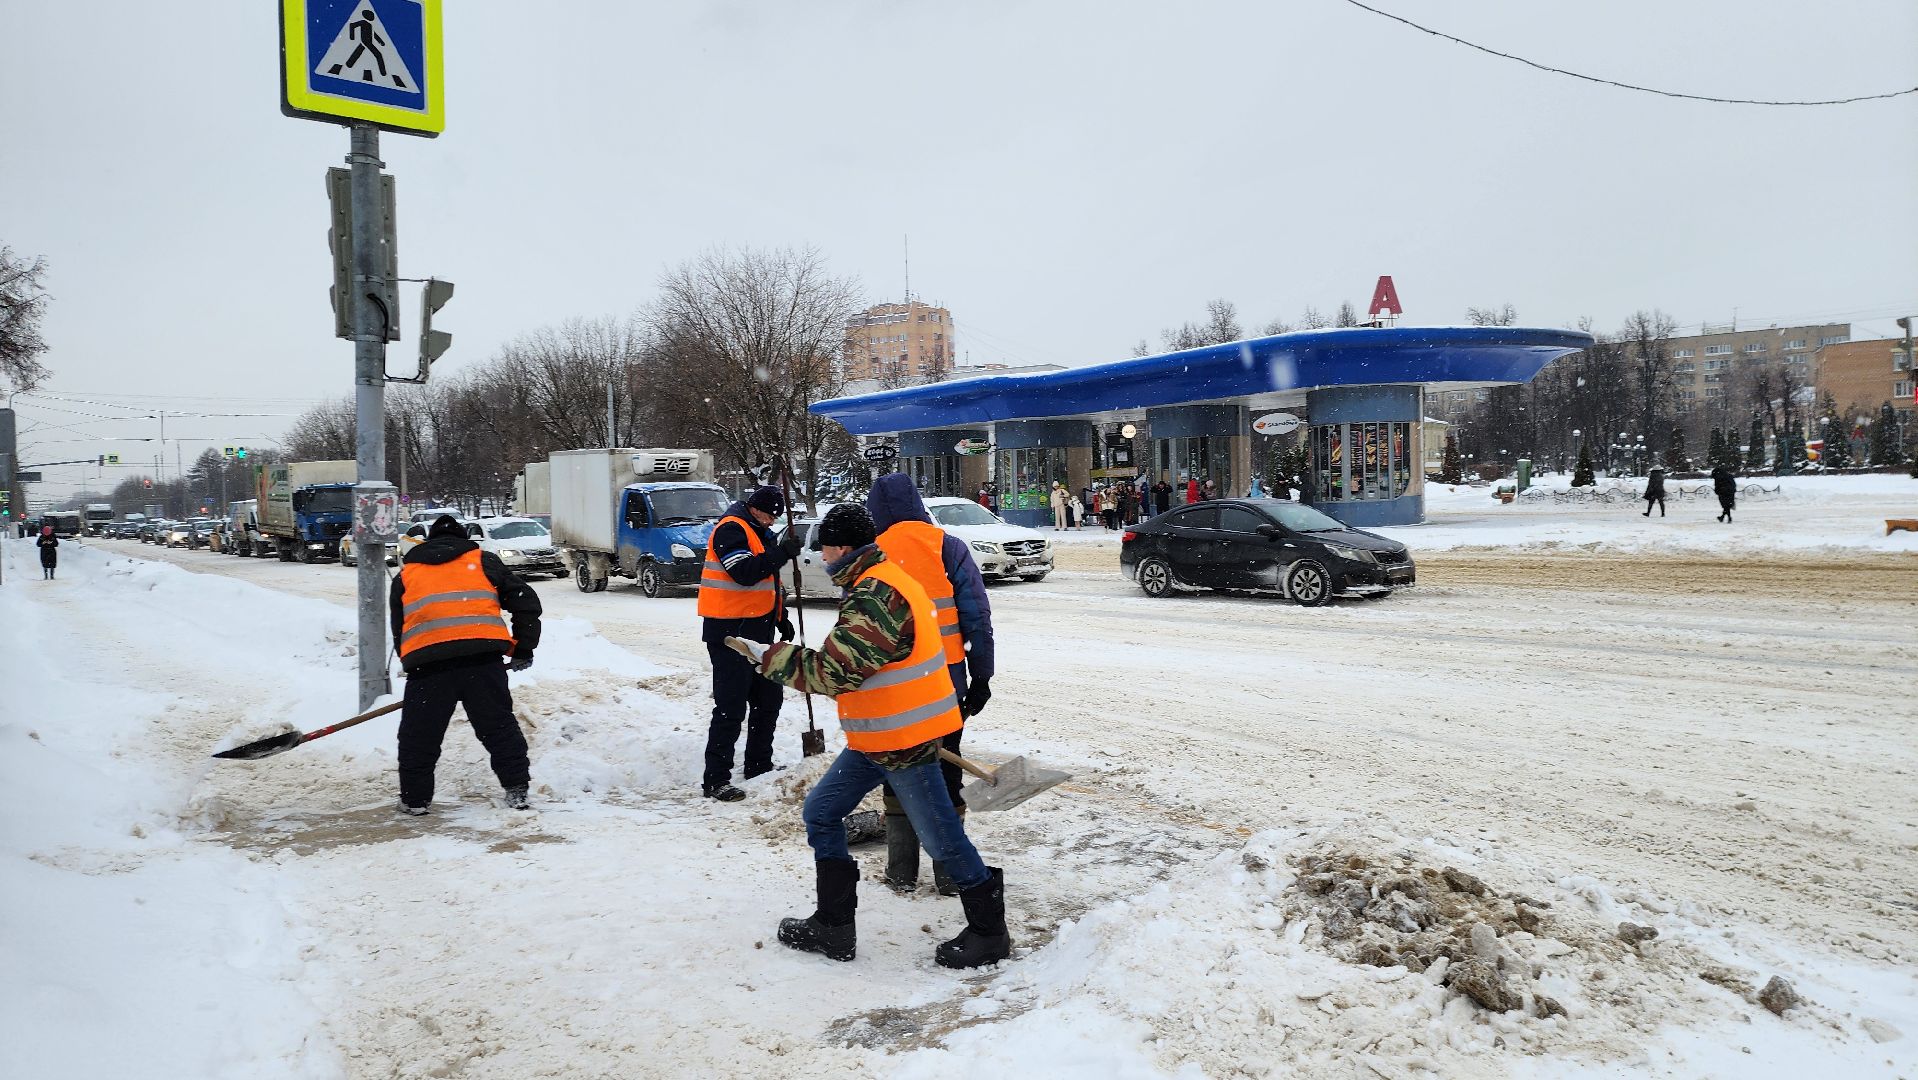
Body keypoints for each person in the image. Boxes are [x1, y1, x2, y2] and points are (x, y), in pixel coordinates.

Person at [740, 503, 1009, 969]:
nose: (820, 556)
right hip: (878, 737)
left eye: (823, 546)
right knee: (821, 812)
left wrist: (768, 657)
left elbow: (834, 672)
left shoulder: (877, 596)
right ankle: (833, 925)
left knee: (941, 838)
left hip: (903, 741)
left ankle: (989, 931)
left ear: (842, 547)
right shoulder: (877, 581)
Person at [866, 473, 995, 895]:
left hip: (888, 689)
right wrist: (982, 675)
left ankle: (901, 871)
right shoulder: (949, 548)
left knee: (896, 771)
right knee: (944, 772)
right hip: (944, 686)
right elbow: (976, 617)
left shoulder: (871, 553)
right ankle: (952, 876)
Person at [388, 514, 543, 814]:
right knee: (499, 729)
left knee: (419, 737)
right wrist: (523, 648)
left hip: (428, 668)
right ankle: (517, 792)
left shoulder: (407, 575)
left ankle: (415, 801)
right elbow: (525, 601)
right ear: (464, 540)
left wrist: (412, 662)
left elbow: (400, 628)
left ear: (429, 541)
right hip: (482, 663)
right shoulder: (484, 562)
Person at [697, 485, 804, 801]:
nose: (772, 521)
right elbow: (744, 572)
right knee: (730, 707)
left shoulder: (759, 531)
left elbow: (768, 582)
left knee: (767, 701)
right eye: (770, 514)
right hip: (729, 634)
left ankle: (759, 766)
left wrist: (779, 615)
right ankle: (716, 779)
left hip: (759, 630)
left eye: (776, 517)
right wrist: (782, 552)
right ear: (756, 508)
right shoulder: (731, 529)